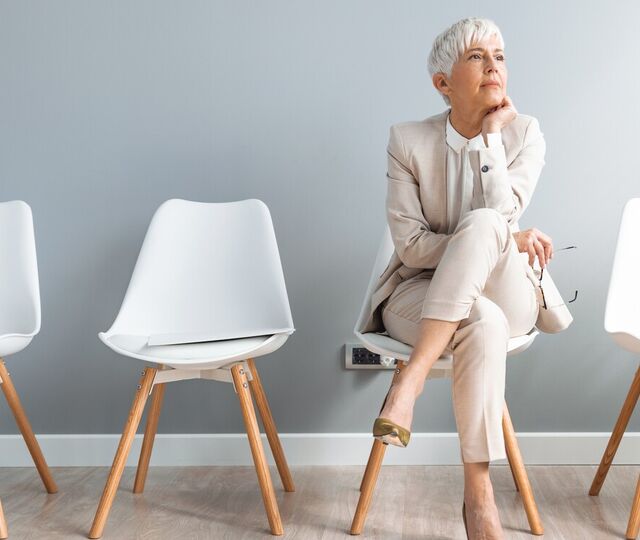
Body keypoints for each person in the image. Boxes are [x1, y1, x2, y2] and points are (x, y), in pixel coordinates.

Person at [358, 17, 573, 539]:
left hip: (508, 289)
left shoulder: (525, 133)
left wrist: (492, 140)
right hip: (419, 292)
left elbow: (503, 213)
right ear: (443, 82)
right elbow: (411, 247)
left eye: (499, 56)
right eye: (477, 57)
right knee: (482, 321)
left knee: (487, 224)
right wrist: (502, 237)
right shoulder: (407, 141)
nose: (493, 66)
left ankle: (409, 381)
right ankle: (479, 501)